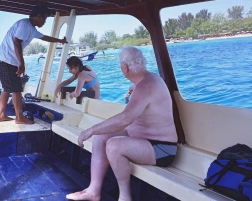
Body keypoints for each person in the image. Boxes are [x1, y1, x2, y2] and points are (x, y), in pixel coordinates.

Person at [66, 46, 178, 201]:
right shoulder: (143, 82)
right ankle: (93, 191)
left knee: (114, 145)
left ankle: (125, 198)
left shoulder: (147, 84)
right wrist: (132, 88)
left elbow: (125, 119)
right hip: (142, 140)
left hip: (161, 149)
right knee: (101, 137)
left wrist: (89, 130)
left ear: (124, 67)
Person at [0, 4, 67, 124]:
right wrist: (21, 63)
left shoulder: (31, 29)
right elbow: (17, 42)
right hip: (7, 59)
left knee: (7, 88)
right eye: (44, 18)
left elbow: (45, 37)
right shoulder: (24, 25)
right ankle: (19, 117)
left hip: (4, 59)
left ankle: (1, 115)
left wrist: (60, 41)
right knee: (16, 89)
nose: (44, 21)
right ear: (38, 16)